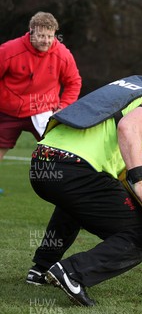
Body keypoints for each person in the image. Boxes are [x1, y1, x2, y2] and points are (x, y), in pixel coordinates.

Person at [26, 76, 142, 306]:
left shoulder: (122, 98)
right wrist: (140, 179)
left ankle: (41, 268)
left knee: (75, 206)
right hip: (76, 169)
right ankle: (73, 273)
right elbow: (128, 127)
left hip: (43, 163)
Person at [0, 12, 82, 194]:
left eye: (50, 36)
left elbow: (74, 82)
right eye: (41, 36)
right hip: (8, 109)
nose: (46, 41)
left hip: (44, 110)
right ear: (31, 32)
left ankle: (66, 190)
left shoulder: (62, 54)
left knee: (59, 150)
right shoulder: (9, 50)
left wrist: (63, 108)